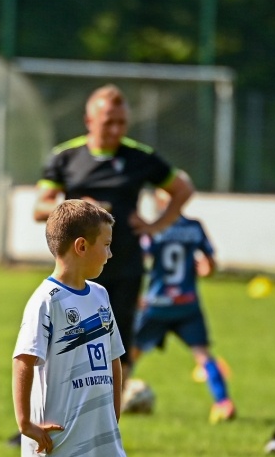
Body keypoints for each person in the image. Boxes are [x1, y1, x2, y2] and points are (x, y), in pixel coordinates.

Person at [12, 198, 171, 457]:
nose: (111, 252)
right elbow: (24, 360)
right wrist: (25, 423)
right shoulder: (46, 300)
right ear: (81, 246)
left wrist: (115, 409)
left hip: (101, 435)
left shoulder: (99, 295)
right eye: (106, 244)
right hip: (59, 434)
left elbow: (115, 356)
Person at [33, 85, 195, 389]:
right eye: (109, 122)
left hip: (124, 266)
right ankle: (39, 421)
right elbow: (39, 208)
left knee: (116, 348)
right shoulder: (66, 157)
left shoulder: (139, 157)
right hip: (76, 268)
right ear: (89, 120)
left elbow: (182, 190)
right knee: (62, 343)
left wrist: (156, 225)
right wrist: (80, 207)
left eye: (122, 123)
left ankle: (107, 419)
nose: (116, 129)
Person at [130, 197, 236, 422]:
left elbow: (138, 262)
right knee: (203, 355)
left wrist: (136, 294)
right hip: (187, 303)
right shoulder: (194, 228)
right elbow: (209, 264)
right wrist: (206, 270)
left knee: (130, 356)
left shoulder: (154, 230)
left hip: (157, 305)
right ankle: (223, 403)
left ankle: (109, 404)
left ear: (160, 202)